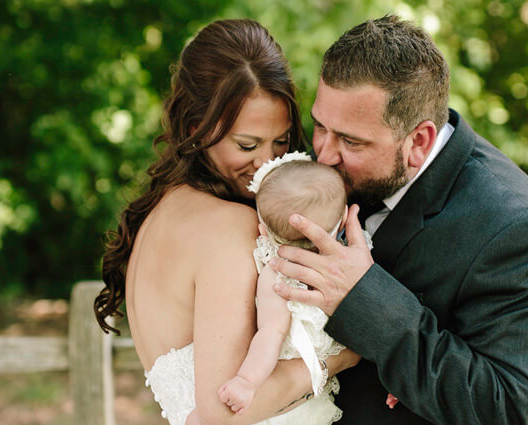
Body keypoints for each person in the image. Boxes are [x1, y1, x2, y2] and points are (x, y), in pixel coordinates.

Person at [271, 15, 528, 425]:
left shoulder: (523, 232)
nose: (324, 154)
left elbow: (508, 410)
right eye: (320, 127)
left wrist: (366, 300)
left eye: (351, 141)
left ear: (418, 142)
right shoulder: (323, 169)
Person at [93, 19, 359, 425]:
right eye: (247, 145)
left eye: (283, 141)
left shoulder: (164, 211)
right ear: (199, 130)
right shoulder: (231, 228)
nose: (268, 161)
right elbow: (221, 415)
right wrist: (346, 352)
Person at [218, 154, 347, 422]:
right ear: (344, 220)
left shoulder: (275, 277)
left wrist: (246, 382)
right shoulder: (349, 262)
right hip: (307, 390)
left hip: (302, 391)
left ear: (263, 231)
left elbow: (270, 332)